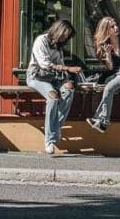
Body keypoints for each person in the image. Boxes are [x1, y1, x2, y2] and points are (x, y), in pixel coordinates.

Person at [26, 19, 82, 154]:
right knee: (53, 96)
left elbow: (59, 65)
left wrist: (67, 79)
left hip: (53, 78)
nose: (64, 38)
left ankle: (55, 128)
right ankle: (49, 139)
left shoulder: (59, 46)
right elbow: (45, 64)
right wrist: (68, 68)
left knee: (69, 89)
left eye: (67, 36)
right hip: (36, 77)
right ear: (58, 30)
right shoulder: (41, 40)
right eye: (64, 34)